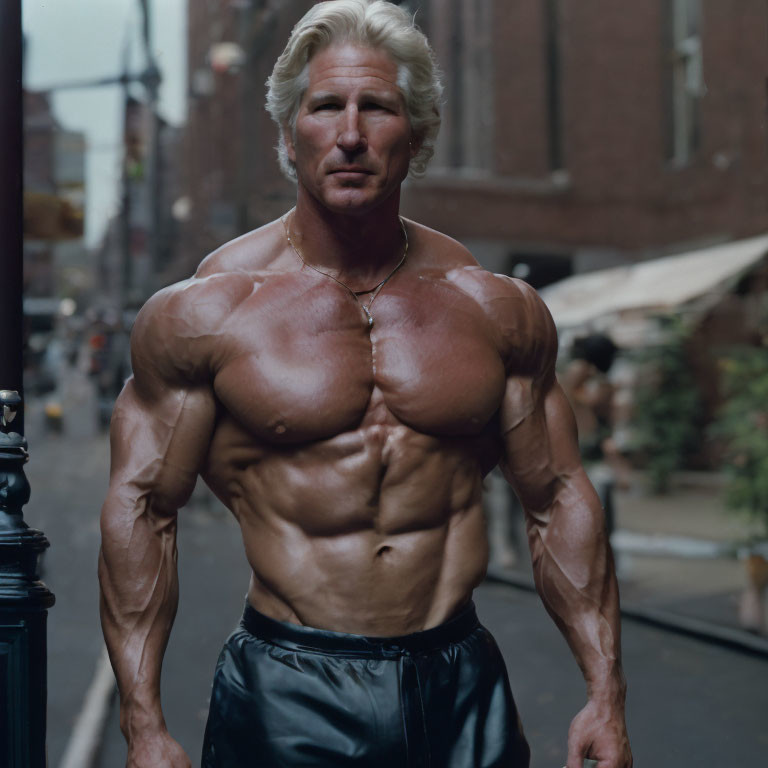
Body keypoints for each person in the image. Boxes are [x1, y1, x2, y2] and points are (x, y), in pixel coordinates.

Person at [98, 2, 632, 767]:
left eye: (376, 107)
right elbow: (142, 506)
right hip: (290, 684)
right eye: (326, 107)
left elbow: (556, 498)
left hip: (461, 686)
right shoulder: (210, 312)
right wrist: (142, 726)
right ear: (290, 133)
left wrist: (606, 695)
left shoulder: (492, 309)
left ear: (415, 135)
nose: (350, 134)